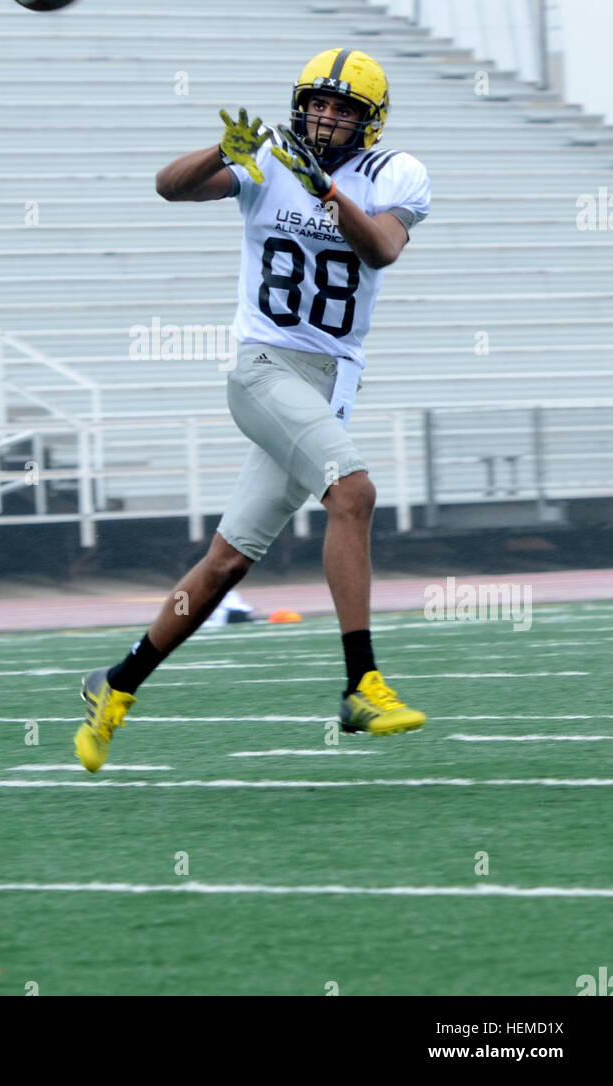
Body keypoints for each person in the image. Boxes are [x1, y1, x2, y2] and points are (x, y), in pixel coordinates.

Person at [75, 47, 432, 772]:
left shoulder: (396, 173)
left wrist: (330, 194)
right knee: (354, 493)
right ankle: (361, 683)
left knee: (227, 561)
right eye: (317, 102)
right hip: (263, 366)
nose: (326, 116)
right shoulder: (268, 159)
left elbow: (384, 249)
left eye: (343, 107)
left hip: (328, 380)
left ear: (371, 120)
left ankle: (115, 684)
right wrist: (223, 148)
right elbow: (169, 188)